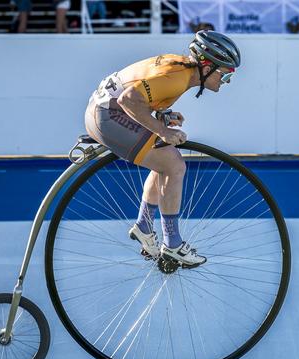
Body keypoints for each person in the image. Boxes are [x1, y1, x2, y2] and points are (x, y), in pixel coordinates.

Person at [84, 30, 240, 268]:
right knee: (174, 165)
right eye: (225, 75)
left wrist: (162, 117)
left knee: (163, 160)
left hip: (104, 111)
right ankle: (173, 243)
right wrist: (163, 130)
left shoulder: (181, 70)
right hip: (108, 114)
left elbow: (141, 97)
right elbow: (128, 100)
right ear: (207, 65)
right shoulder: (176, 77)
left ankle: (144, 227)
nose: (226, 82)